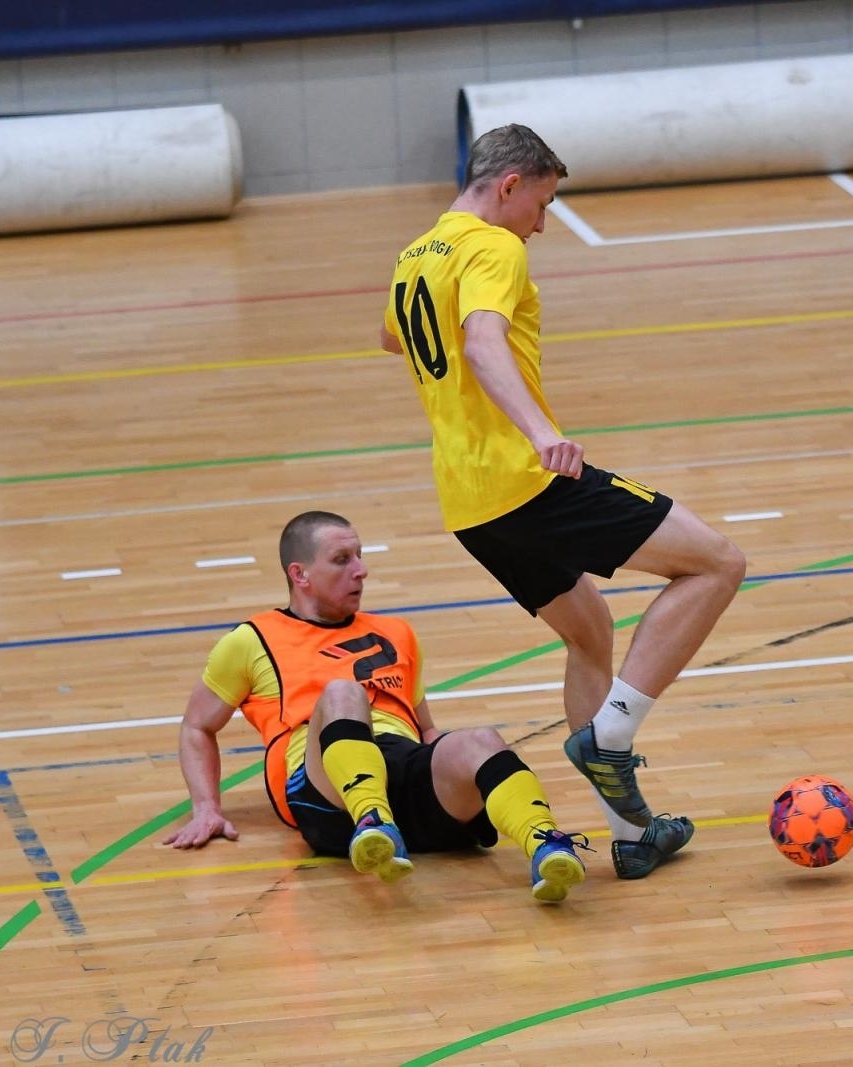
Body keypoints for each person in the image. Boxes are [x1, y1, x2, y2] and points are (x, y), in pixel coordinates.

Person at [378, 124, 747, 880]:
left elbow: (394, 337)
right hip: (529, 480)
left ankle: (629, 832)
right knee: (717, 563)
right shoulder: (494, 247)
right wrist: (544, 430)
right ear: (509, 186)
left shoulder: (417, 254)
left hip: (470, 506)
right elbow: (482, 343)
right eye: (541, 204)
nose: (541, 225)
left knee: (590, 633)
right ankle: (613, 730)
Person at [164, 510, 589, 904]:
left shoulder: (396, 632)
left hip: (401, 767)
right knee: (342, 693)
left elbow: (426, 731)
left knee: (481, 739)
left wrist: (463, 761)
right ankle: (371, 821)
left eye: (360, 556)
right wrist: (207, 808)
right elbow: (197, 727)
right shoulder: (252, 639)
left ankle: (545, 844)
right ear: (300, 574)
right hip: (323, 790)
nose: (361, 569)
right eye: (342, 559)